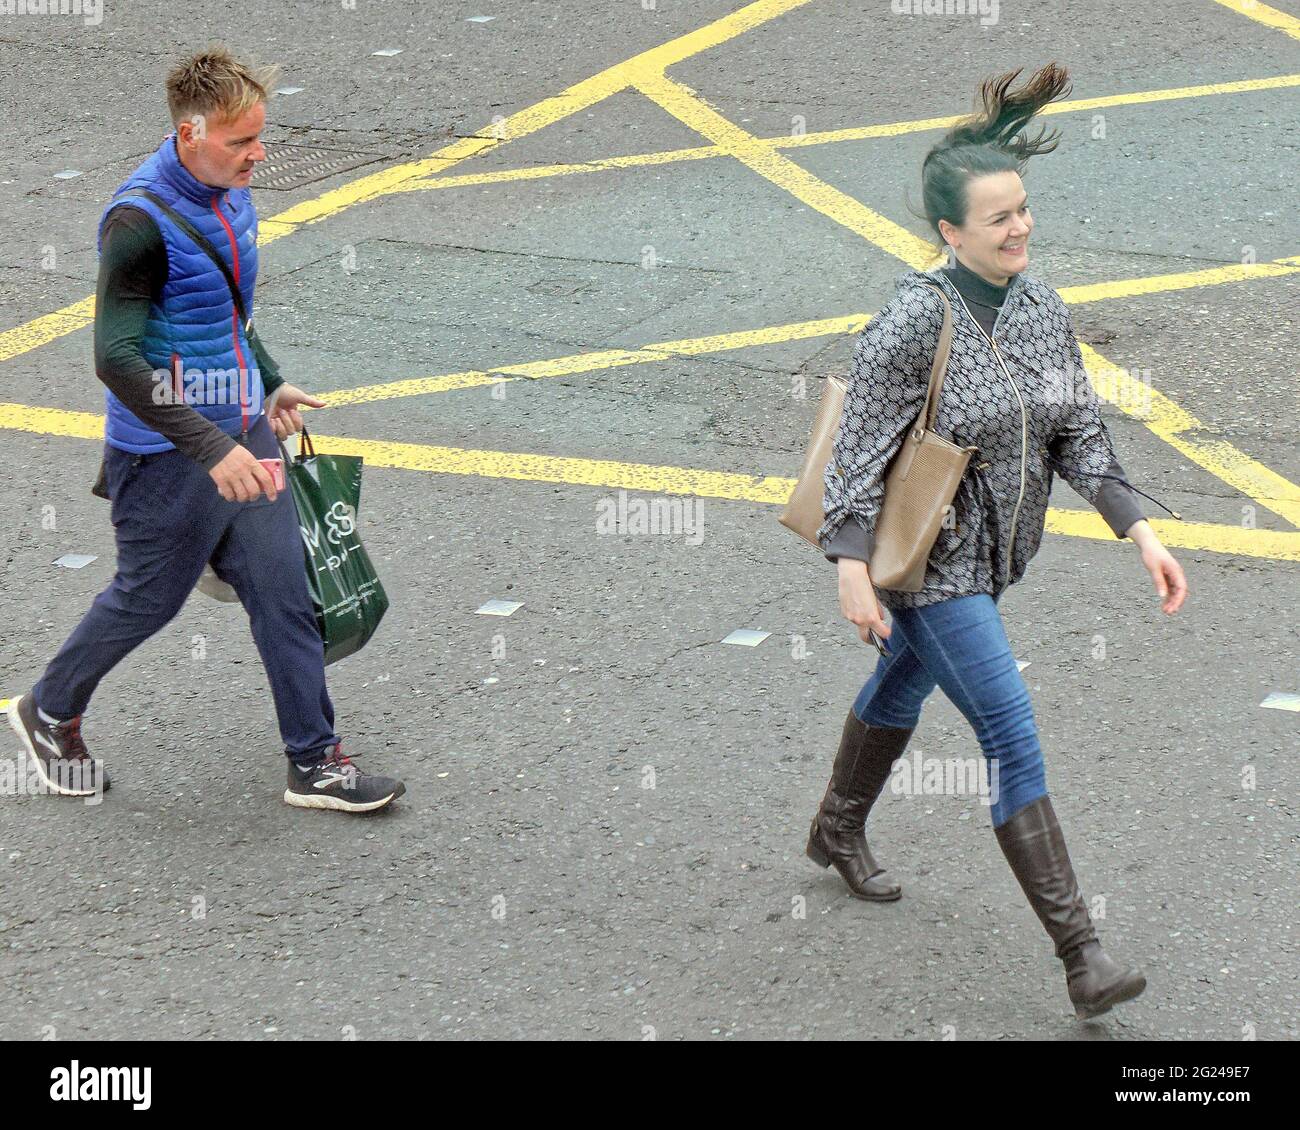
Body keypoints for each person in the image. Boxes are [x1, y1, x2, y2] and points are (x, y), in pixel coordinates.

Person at [806, 62, 1187, 1019]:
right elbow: (858, 452)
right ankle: (1082, 955)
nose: (1020, 229)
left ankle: (834, 828)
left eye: (1023, 210)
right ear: (949, 234)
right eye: (998, 220)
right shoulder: (911, 321)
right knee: (1010, 730)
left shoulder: (1040, 306)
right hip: (931, 567)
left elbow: (1077, 432)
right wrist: (851, 571)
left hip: (997, 556)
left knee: (906, 680)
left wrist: (1139, 530)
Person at [6, 47, 405, 814]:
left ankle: (315, 763)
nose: (259, 154)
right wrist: (211, 448)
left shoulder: (230, 192)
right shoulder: (137, 223)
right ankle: (49, 710)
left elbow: (223, 311)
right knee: (148, 599)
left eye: (260, 137)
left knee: (285, 589)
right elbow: (115, 358)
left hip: (242, 430)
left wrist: (268, 380)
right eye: (240, 141)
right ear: (189, 134)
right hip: (165, 453)